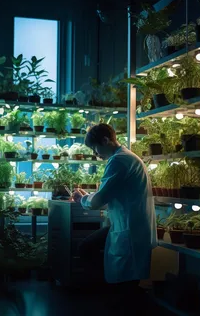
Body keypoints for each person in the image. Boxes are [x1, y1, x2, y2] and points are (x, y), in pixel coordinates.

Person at [73, 123, 157, 292]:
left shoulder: (119, 161)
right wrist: (88, 197)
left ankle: (104, 291)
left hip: (130, 228)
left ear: (105, 140)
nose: (95, 154)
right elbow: (107, 195)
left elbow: (98, 201)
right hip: (129, 226)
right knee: (124, 278)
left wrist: (82, 199)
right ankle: (108, 290)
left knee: (124, 283)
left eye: (95, 148)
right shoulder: (126, 158)